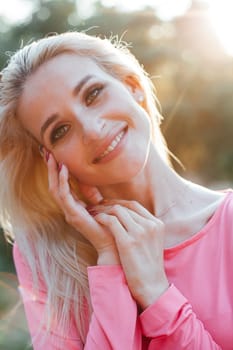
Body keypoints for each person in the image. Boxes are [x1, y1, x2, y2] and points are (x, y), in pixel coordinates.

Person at [0, 31, 232, 350]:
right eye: (60, 131)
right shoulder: (48, 261)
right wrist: (108, 262)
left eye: (93, 94)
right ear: (51, 160)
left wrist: (156, 294)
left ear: (132, 86)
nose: (93, 131)